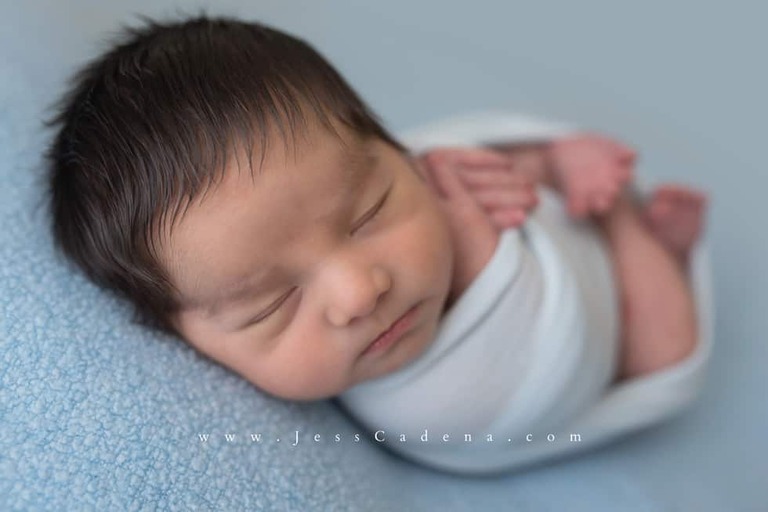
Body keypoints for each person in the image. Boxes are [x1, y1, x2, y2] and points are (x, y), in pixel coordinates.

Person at [45, 15, 708, 472]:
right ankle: (631, 229)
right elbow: (547, 377)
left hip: (516, 212)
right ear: (185, 341)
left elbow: (433, 164)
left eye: (367, 215)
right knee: (663, 351)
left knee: (469, 173)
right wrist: (480, 254)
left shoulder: (414, 170)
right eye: (270, 304)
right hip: (602, 336)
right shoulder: (420, 411)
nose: (360, 293)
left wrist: (527, 166)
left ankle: (568, 175)